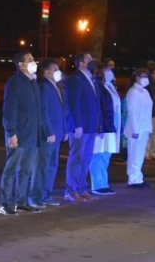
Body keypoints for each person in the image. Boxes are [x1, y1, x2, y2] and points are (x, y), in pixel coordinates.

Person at [0, 50, 48, 215]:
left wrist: (42, 131)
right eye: (29, 60)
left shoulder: (33, 83)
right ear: (21, 65)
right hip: (18, 136)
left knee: (26, 171)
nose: (34, 62)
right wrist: (11, 133)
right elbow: (9, 110)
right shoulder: (14, 83)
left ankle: (21, 201)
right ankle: (4, 204)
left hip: (32, 136)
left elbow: (38, 111)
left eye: (33, 59)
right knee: (11, 170)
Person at [29, 59, 67, 207]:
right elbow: (43, 112)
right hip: (48, 135)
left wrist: (63, 130)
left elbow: (60, 111)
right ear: (47, 72)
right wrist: (49, 131)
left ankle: (46, 195)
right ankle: (35, 197)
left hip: (57, 133)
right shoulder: (44, 87)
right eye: (56, 69)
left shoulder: (56, 87)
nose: (59, 71)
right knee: (41, 166)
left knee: (52, 165)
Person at [64, 53, 101, 201]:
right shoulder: (75, 79)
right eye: (88, 59)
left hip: (91, 126)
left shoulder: (91, 78)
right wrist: (77, 125)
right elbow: (73, 103)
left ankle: (81, 187)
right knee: (76, 158)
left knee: (86, 158)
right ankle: (71, 189)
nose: (92, 62)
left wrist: (98, 125)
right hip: (81, 127)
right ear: (81, 63)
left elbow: (96, 105)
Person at [89, 61, 120, 195]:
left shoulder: (110, 86)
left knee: (106, 154)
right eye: (107, 70)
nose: (110, 73)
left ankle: (103, 182)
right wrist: (100, 126)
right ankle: (97, 184)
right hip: (103, 126)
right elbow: (97, 108)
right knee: (98, 155)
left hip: (112, 124)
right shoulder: (98, 86)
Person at [124, 68, 153, 188]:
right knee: (134, 154)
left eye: (146, 76)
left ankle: (138, 177)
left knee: (140, 154)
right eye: (143, 76)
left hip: (145, 127)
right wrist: (135, 130)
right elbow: (131, 111)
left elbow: (148, 111)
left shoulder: (145, 92)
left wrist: (149, 128)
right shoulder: (133, 92)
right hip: (136, 129)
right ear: (136, 77)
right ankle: (133, 178)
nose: (145, 79)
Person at [145, 62, 155, 161]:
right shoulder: (149, 85)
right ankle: (146, 152)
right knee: (149, 133)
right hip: (150, 112)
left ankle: (153, 151)